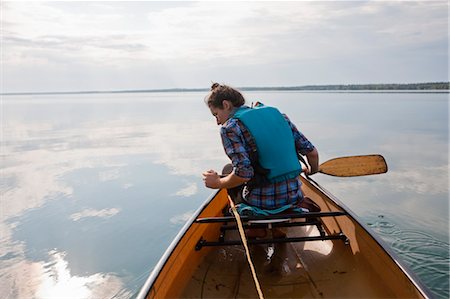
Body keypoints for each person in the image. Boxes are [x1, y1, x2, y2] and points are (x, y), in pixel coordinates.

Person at [202, 83, 319, 234]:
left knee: (227, 171)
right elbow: (312, 153)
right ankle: (280, 231)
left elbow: (243, 174)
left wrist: (217, 182)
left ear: (226, 105)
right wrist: (312, 170)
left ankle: (254, 230)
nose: (217, 121)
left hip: (261, 202)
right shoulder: (281, 117)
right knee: (232, 172)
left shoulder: (230, 128)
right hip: (294, 197)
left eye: (216, 114)